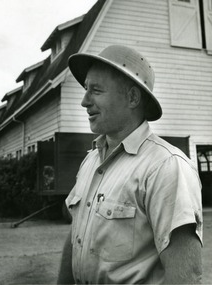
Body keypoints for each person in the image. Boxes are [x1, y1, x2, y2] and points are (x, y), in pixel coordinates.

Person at [57, 45, 203, 284]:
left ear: (133, 97)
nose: (84, 101)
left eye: (96, 90)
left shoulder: (166, 167)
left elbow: (185, 278)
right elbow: (76, 235)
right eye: (85, 90)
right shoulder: (90, 161)